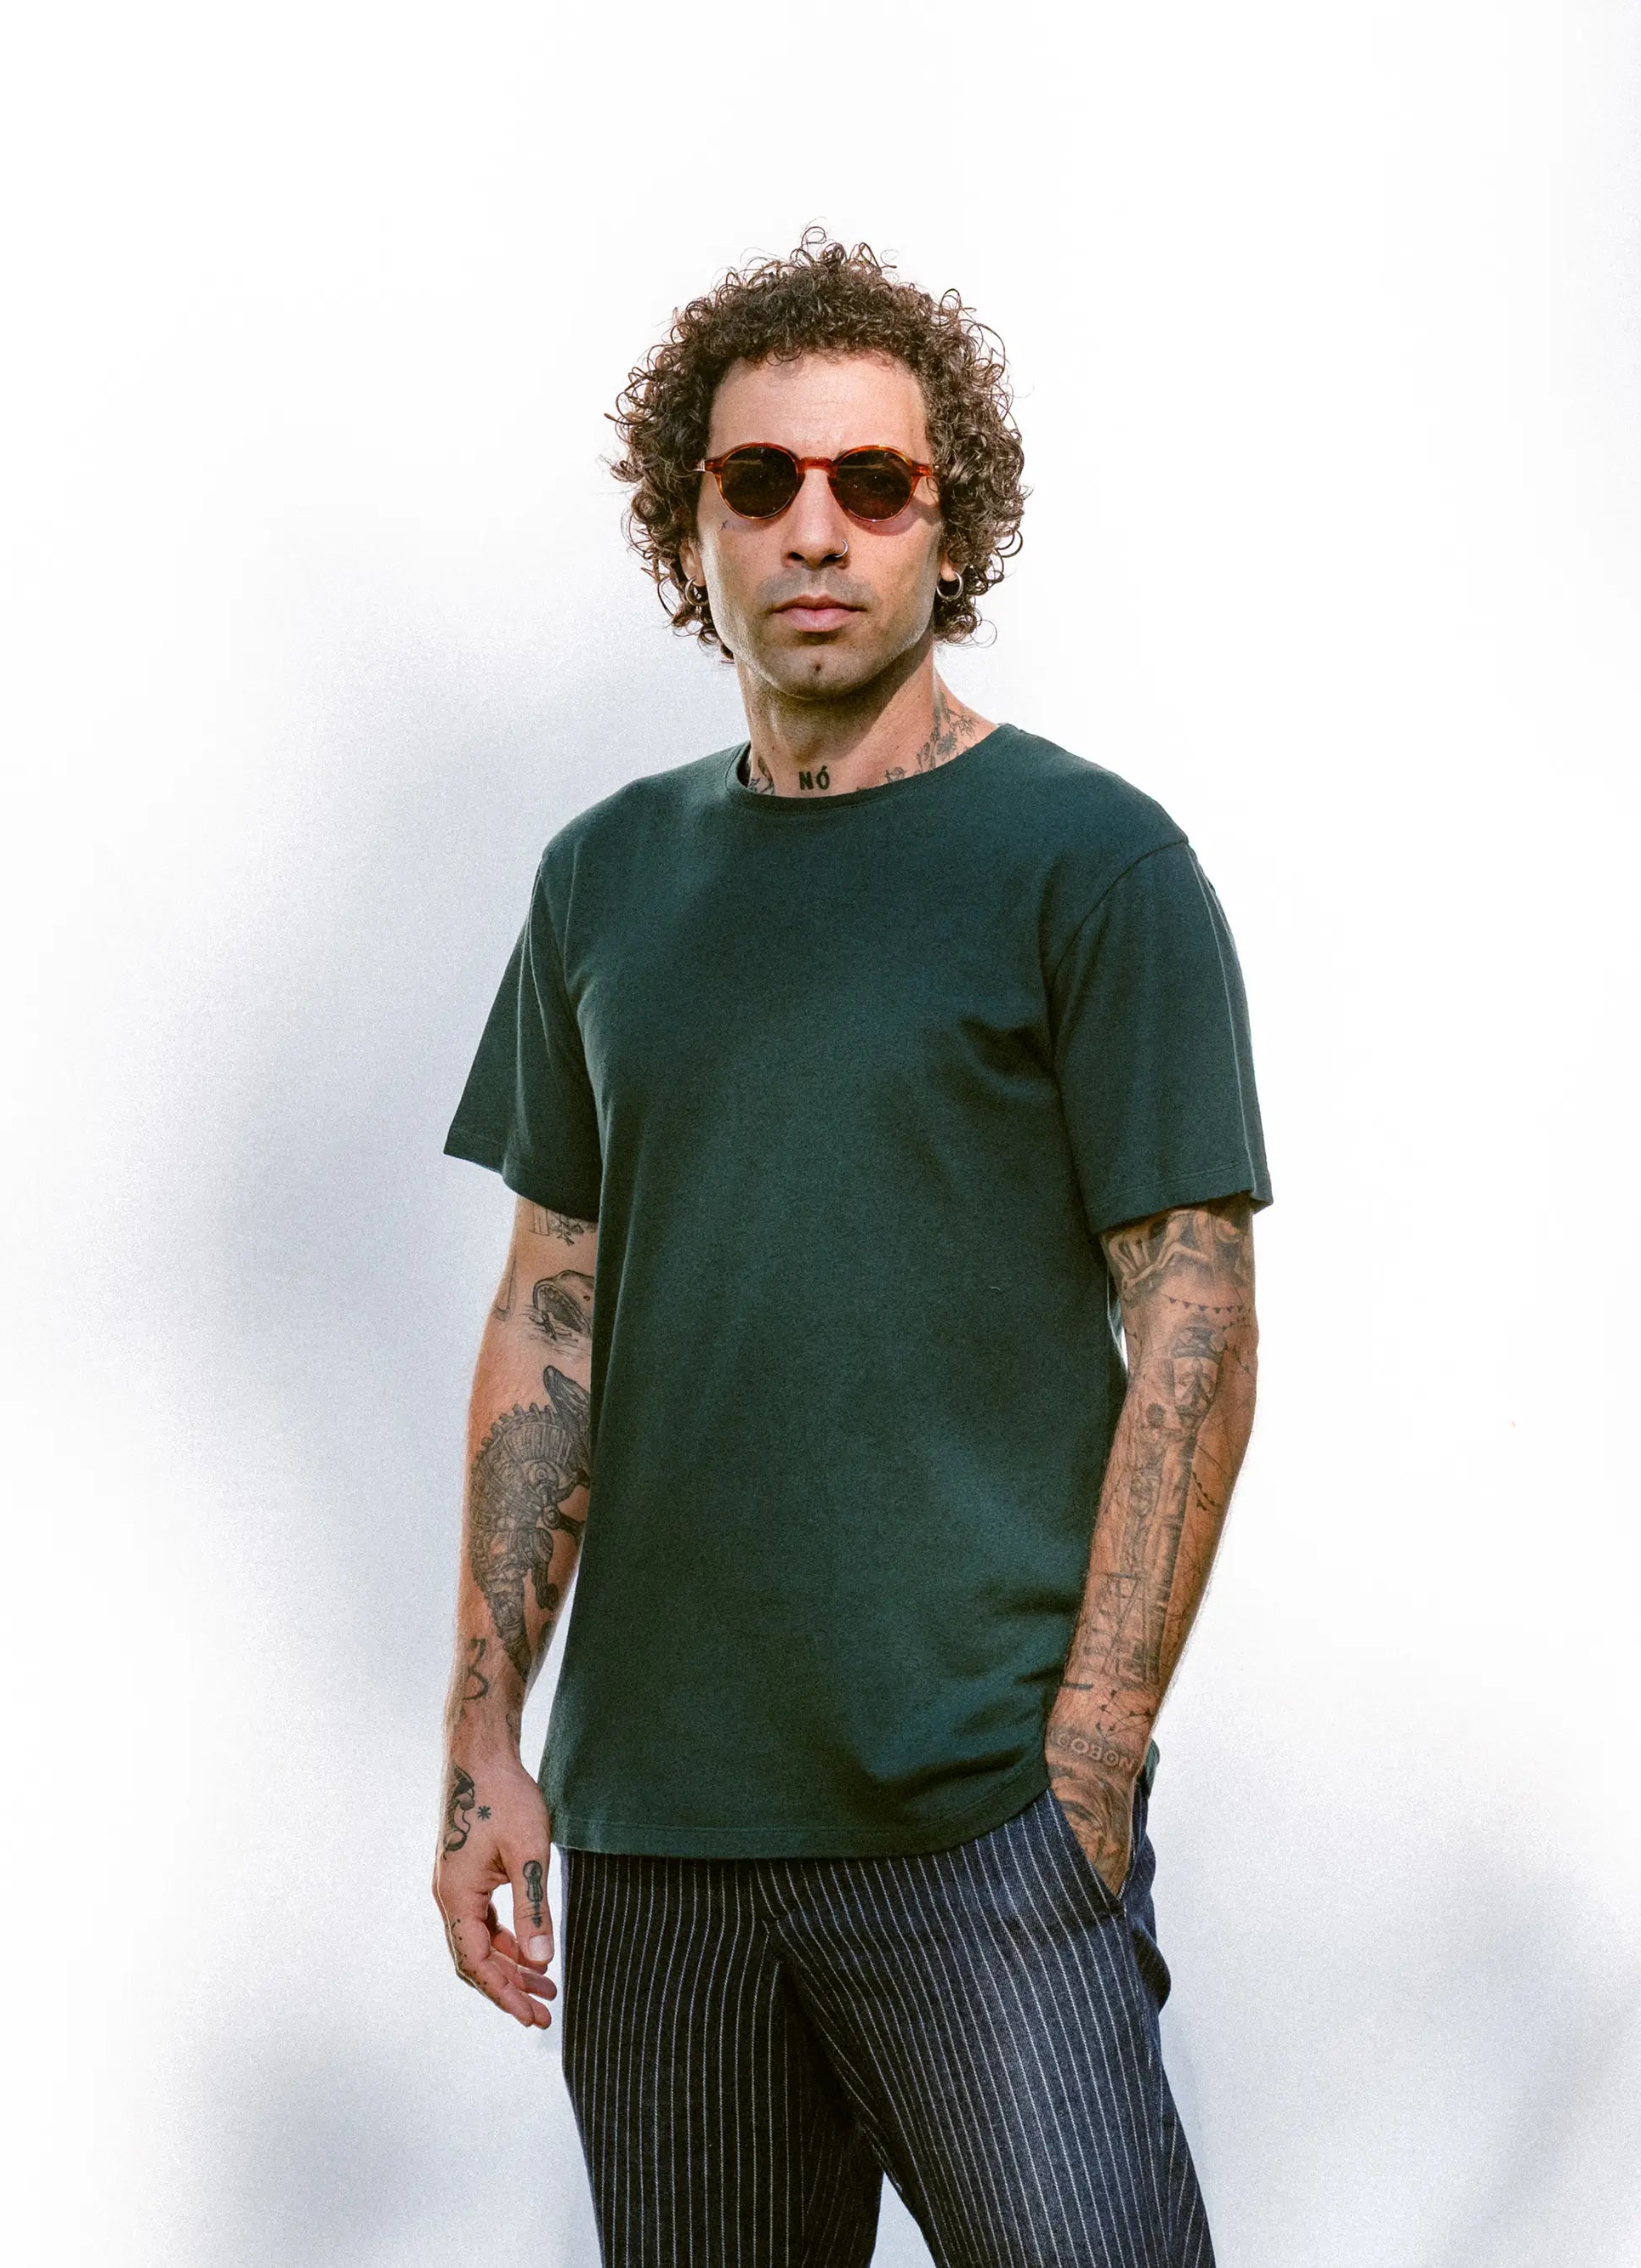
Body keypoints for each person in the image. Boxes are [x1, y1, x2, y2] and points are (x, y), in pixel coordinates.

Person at [433, 233, 1270, 2268]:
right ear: (692, 527)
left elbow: (1194, 1308)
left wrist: (1091, 1752)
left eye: (872, 481)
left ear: (944, 522)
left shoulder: (1091, 860)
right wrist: (479, 1744)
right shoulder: (604, 876)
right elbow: (552, 1305)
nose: (816, 527)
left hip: (975, 1823)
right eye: (762, 480)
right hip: (657, 1835)